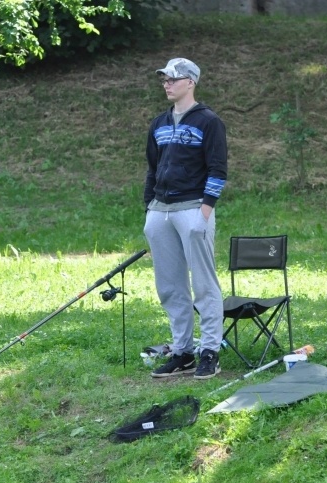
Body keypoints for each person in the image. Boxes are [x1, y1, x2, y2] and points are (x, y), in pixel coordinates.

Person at [143, 58, 228, 380]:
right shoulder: (159, 124)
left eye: (173, 79)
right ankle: (182, 353)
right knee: (169, 286)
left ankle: (210, 351)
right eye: (164, 79)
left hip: (193, 209)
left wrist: (204, 212)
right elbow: (152, 168)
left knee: (204, 284)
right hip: (160, 212)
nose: (167, 84)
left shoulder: (209, 121)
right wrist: (149, 208)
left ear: (190, 82)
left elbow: (218, 169)